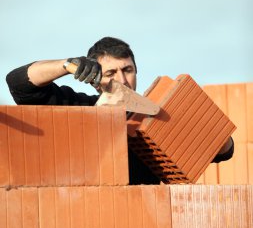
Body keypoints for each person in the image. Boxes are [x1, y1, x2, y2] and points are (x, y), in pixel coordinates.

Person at [6, 36, 234, 184]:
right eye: (110, 73)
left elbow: (225, 151)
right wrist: (66, 65)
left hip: (147, 227)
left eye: (128, 70)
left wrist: (197, 116)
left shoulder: (156, 115)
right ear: (94, 80)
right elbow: (19, 84)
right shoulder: (78, 109)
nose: (123, 80)